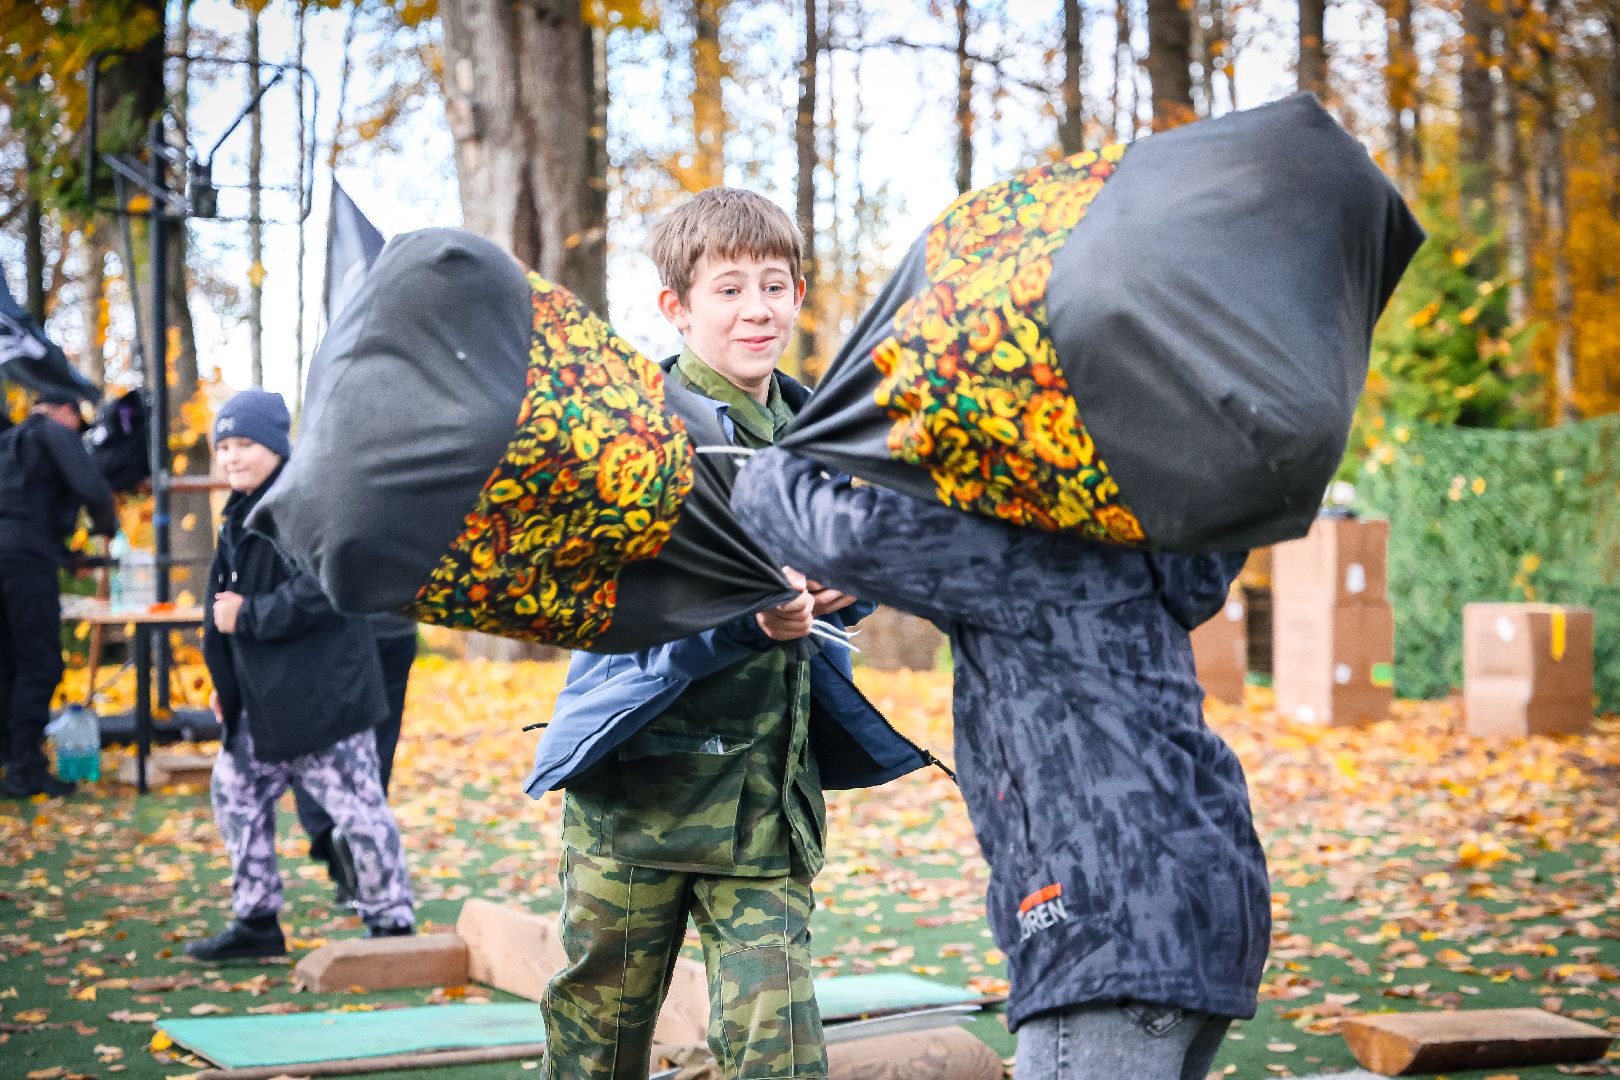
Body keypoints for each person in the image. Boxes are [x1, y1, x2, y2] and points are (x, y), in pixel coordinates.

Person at [527, 188, 931, 1080]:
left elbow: (849, 566)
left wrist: (842, 590)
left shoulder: (820, 430)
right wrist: (743, 626)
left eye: (776, 286)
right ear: (676, 306)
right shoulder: (632, 432)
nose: (759, 309)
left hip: (764, 803)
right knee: (600, 1037)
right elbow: (607, 613)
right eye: (730, 288)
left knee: (780, 1055)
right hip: (639, 799)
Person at [731, 448, 1270, 1080]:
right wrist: (864, 572)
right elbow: (976, 577)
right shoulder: (1127, 516)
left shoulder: (1024, 530)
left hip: (1110, 916)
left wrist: (772, 458)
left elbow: (835, 529)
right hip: (1205, 893)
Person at [186, 389, 414, 961]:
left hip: (322, 694)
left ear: (275, 448)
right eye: (224, 446)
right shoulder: (241, 512)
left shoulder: (304, 504)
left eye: (245, 444)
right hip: (263, 699)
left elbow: (328, 585)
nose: (232, 457)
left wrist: (252, 616)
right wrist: (229, 686)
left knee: (358, 808)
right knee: (235, 794)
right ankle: (257, 921)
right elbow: (226, 605)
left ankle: (392, 925)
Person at [0, 389, 117, 798]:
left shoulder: (9, 442)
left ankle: (10, 756)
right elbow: (92, 487)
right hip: (25, 563)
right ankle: (26, 769)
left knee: (7, 662)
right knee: (40, 663)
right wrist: (109, 527)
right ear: (66, 411)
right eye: (77, 424)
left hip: (15, 555)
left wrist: (66, 557)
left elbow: (20, 513)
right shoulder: (53, 430)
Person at [293, 611, 419, 906]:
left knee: (314, 747)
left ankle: (335, 843)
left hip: (340, 626)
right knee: (377, 751)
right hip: (398, 625)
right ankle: (363, 860)